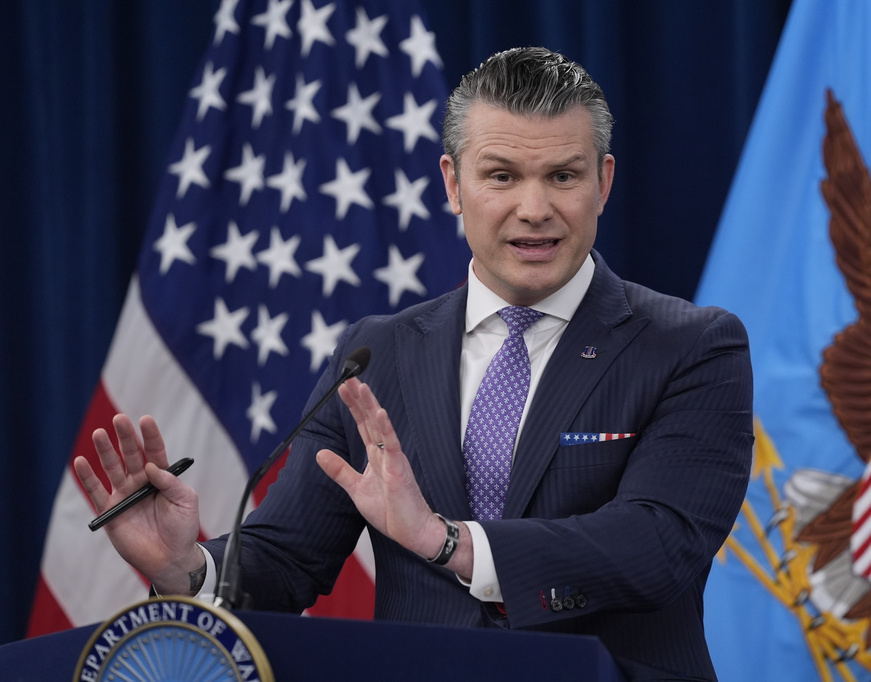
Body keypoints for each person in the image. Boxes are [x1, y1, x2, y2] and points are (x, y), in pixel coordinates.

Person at [76, 47, 753, 681]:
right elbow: (286, 559)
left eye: (563, 176)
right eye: (501, 175)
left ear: (602, 183)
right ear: (453, 183)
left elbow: (658, 548)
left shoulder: (691, 347)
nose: (535, 208)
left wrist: (446, 542)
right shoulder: (377, 352)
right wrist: (185, 565)